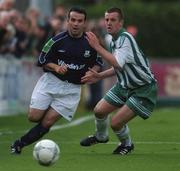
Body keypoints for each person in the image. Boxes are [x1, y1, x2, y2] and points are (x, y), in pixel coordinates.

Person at [11, 6, 103, 154]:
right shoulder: (56, 40)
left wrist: (94, 73)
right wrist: (56, 67)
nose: (76, 24)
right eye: (73, 20)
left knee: (47, 122)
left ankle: (19, 144)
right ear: (67, 21)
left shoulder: (91, 42)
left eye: (79, 21)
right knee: (34, 117)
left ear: (84, 23)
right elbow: (41, 59)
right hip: (51, 82)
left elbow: (98, 62)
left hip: (72, 90)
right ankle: (46, 108)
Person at [80, 7, 157, 155]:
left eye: (113, 20)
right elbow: (119, 67)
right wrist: (99, 76)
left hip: (143, 89)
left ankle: (127, 144)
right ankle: (101, 136)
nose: (108, 23)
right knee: (99, 111)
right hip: (124, 86)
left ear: (121, 23)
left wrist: (97, 47)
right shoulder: (114, 41)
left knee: (115, 123)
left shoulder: (125, 38)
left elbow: (116, 63)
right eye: (107, 19)